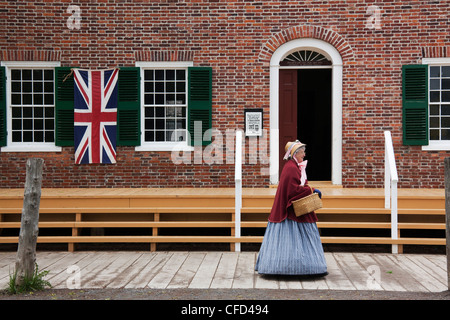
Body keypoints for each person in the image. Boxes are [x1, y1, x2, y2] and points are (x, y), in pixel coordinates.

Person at [255, 140, 327, 276]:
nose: (304, 155)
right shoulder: (291, 168)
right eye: (302, 152)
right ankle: (289, 267)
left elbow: (298, 187)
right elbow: (292, 191)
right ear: (295, 153)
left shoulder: (295, 166)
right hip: (288, 211)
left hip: (295, 208)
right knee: (290, 238)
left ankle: (298, 266)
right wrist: (311, 190)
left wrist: (308, 189)